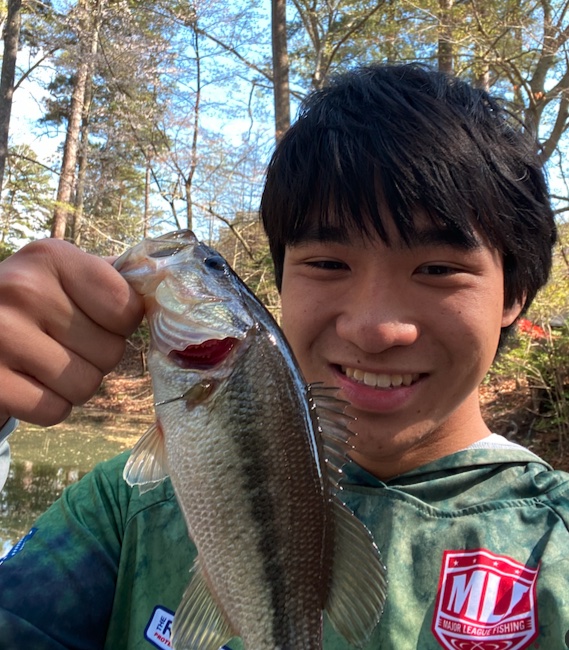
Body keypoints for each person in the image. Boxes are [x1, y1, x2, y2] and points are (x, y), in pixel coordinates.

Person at [0, 63, 566, 650]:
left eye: (439, 269)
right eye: (328, 264)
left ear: (515, 295)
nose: (374, 328)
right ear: (281, 285)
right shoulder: (125, 509)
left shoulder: (556, 544)